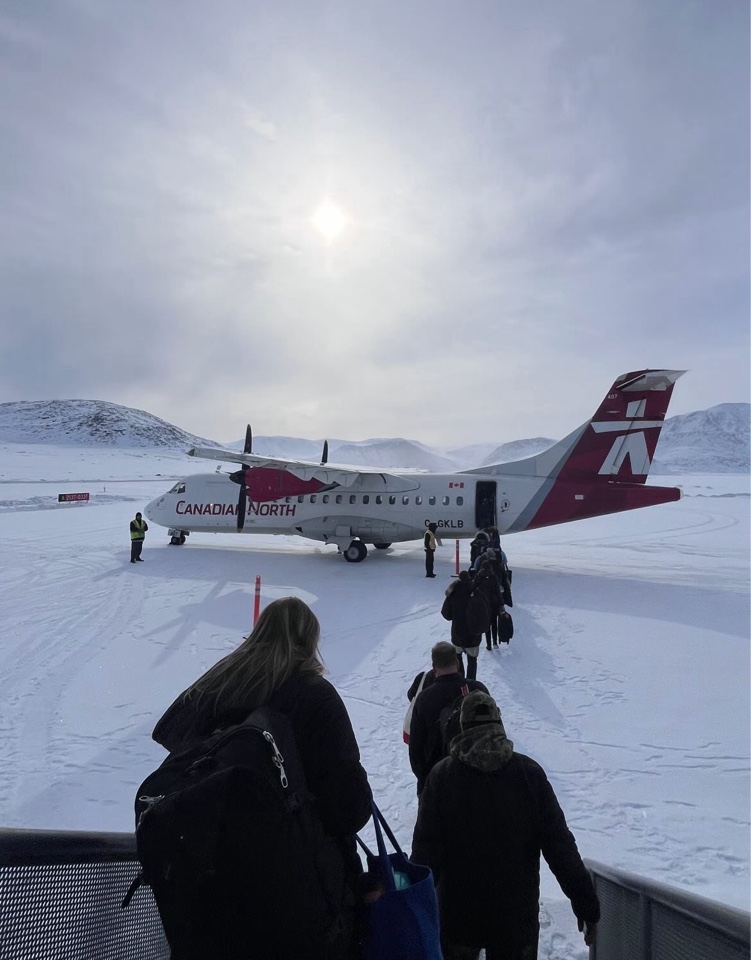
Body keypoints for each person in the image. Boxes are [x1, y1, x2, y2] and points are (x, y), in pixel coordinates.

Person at [152, 596, 371, 960]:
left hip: (211, 897)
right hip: (302, 899)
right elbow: (348, 810)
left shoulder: (214, 689)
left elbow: (173, 741)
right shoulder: (315, 696)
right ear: (308, 641)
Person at [412, 691, 600, 960]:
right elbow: (560, 847)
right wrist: (586, 904)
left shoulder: (442, 777)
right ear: (499, 725)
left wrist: (416, 915)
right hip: (515, 923)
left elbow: (425, 856)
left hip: (458, 920)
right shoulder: (529, 774)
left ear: (462, 727)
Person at [408, 641, 488, 797]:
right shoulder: (478, 689)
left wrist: (425, 783)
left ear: (434, 667)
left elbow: (416, 750)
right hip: (478, 776)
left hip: (438, 780)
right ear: (457, 663)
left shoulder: (424, 699)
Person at [441, 570, 482, 679]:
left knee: (458, 661)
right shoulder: (476, 591)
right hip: (473, 634)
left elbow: (446, 614)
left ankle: (460, 683)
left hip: (457, 633)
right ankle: (471, 683)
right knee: (472, 661)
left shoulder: (452, 592)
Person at [472, 560, 505, 650]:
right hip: (494, 603)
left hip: (482, 603)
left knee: (486, 624)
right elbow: (498, 592)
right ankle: (495, 642)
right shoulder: (494, 577)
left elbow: (473, 588)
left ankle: (488, 644)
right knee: (494, 623)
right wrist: (501, 603)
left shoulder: (478, 576)